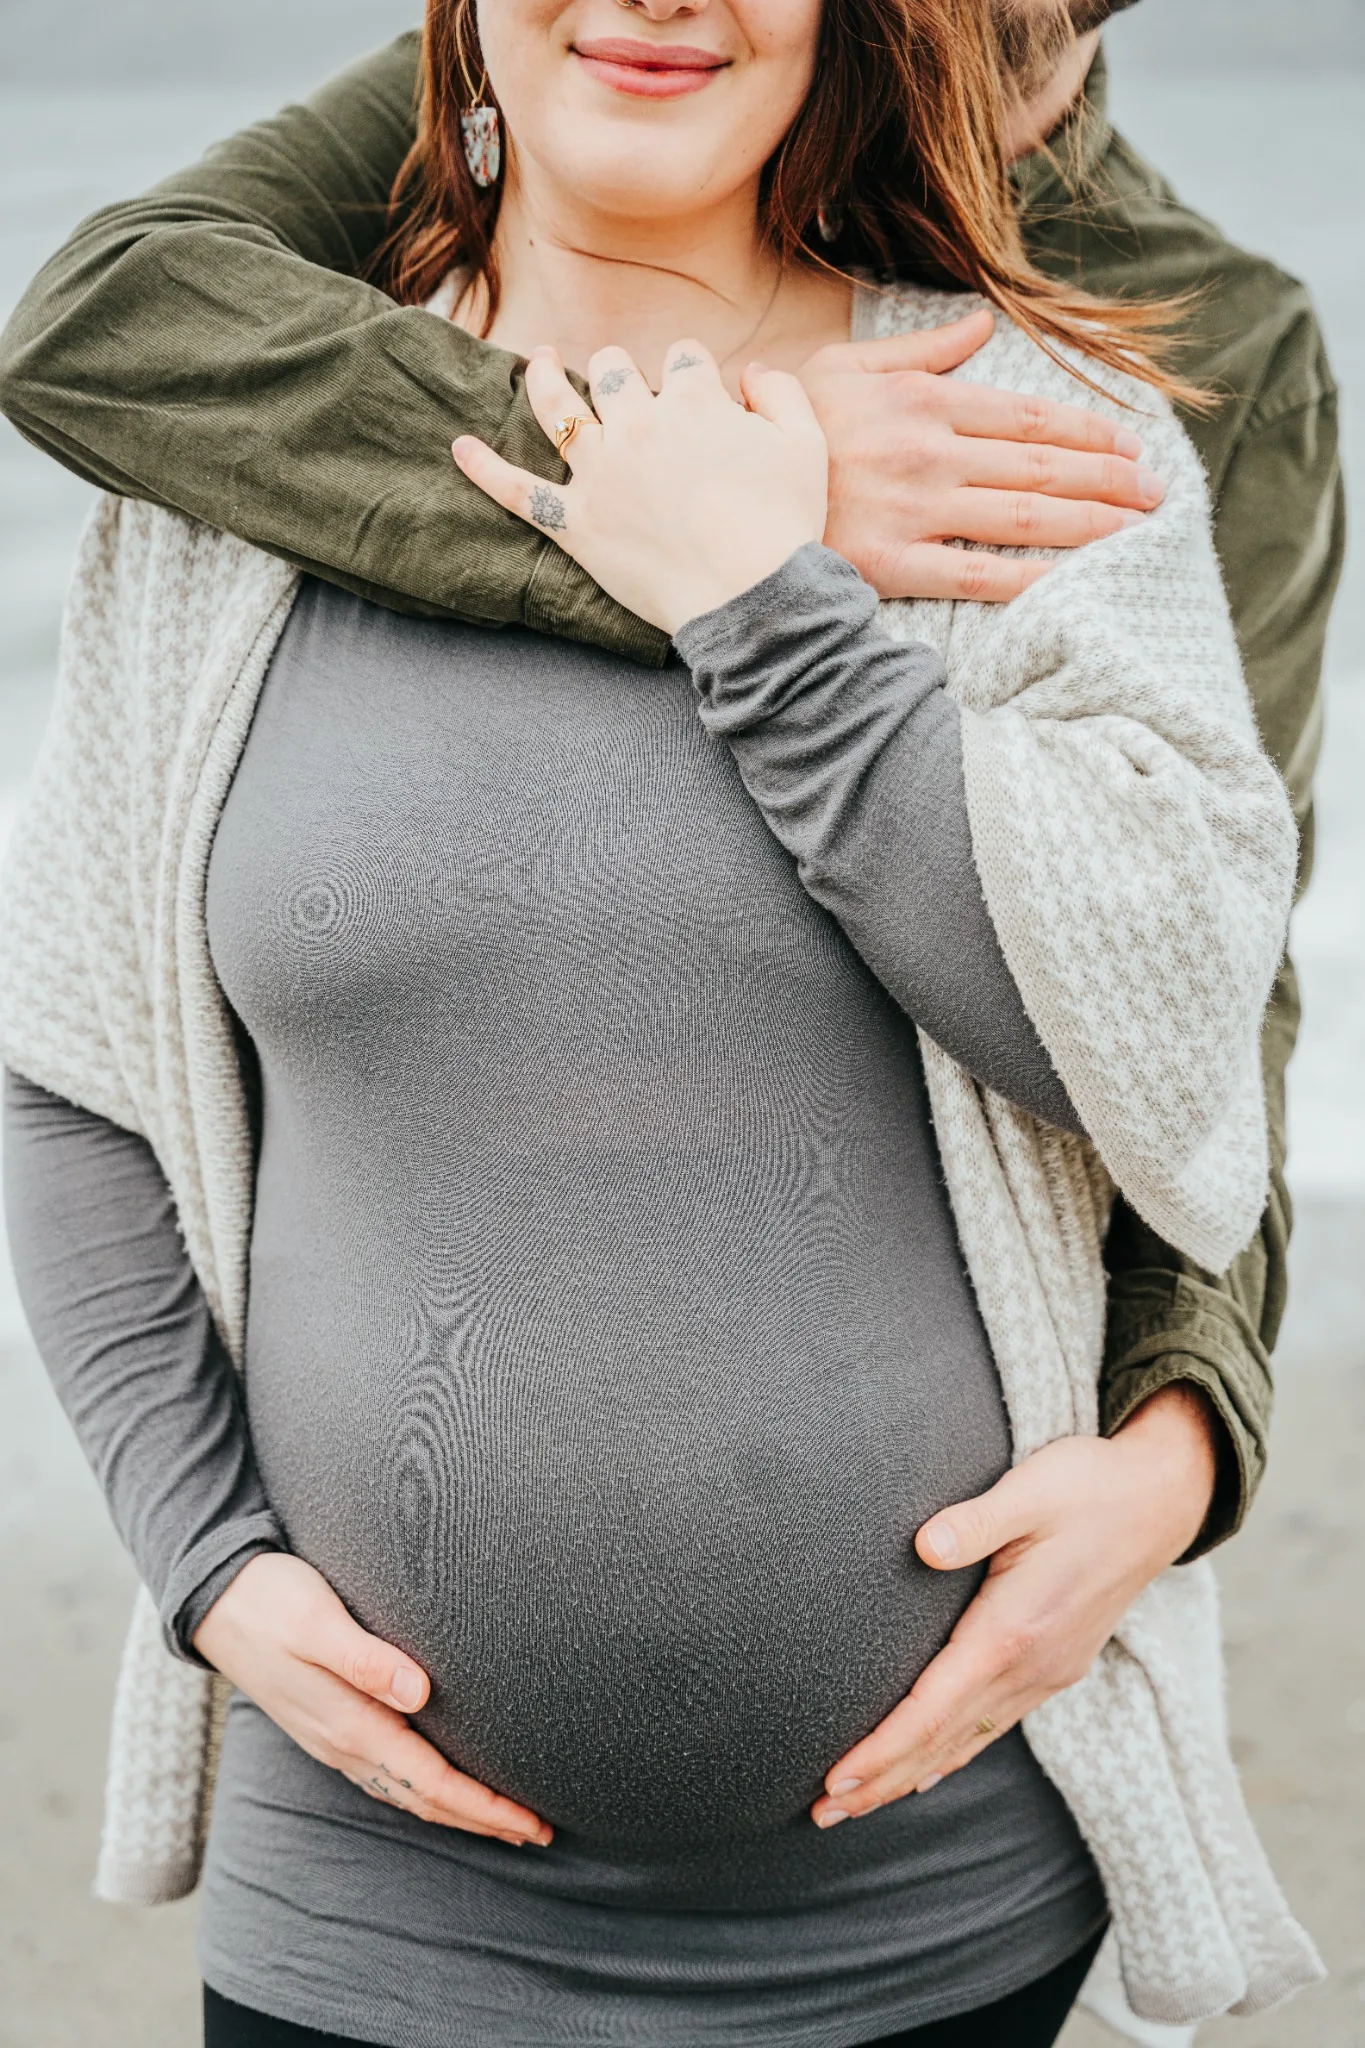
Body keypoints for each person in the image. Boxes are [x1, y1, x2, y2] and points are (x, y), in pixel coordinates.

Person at [0, 0, 1325, 2041]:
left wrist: (763, 607)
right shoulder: (235, 461)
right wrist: (202, 1554)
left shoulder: (1056, 425)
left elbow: (1167, 1037)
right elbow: (77, 1062)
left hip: (933, 1908)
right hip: (363, 1909)